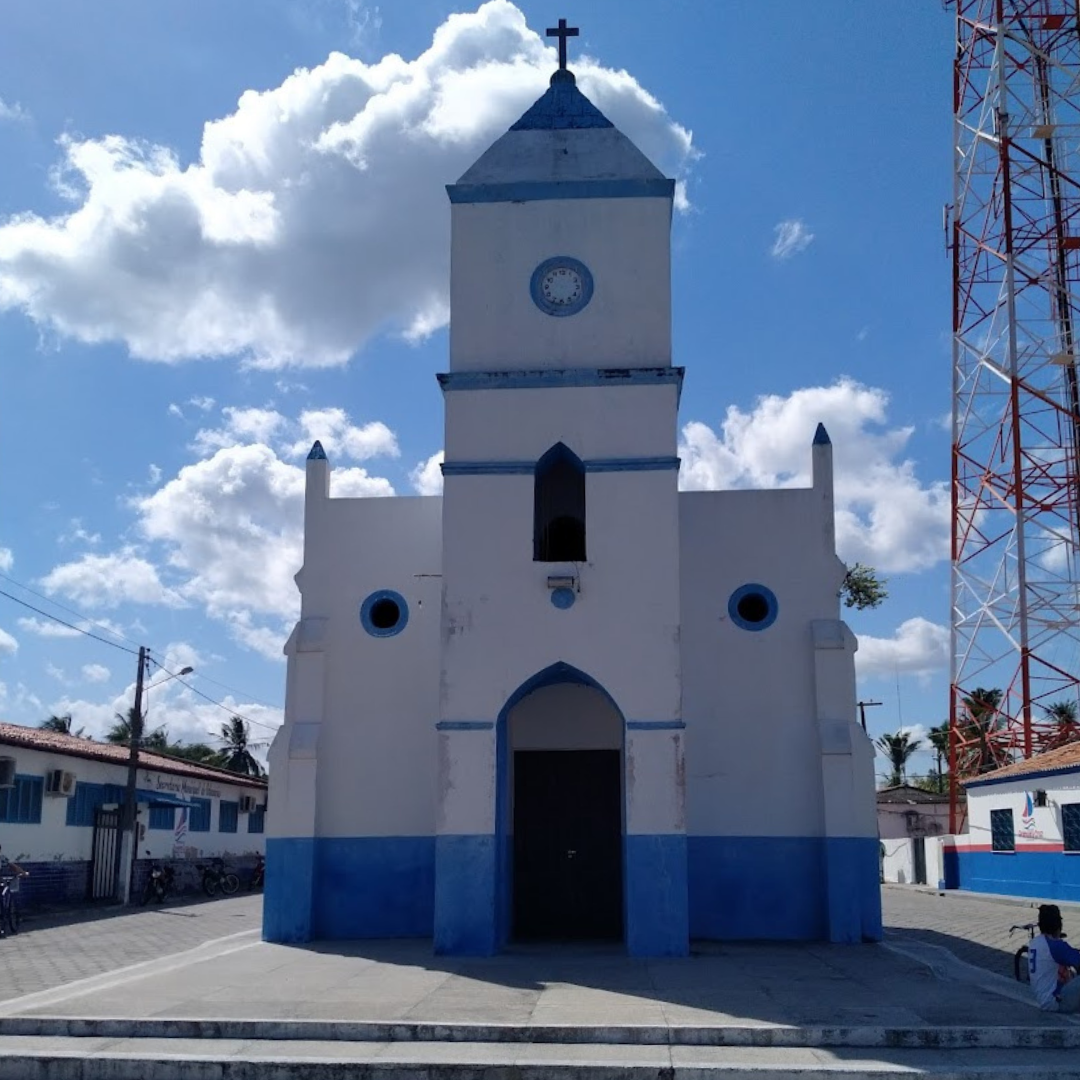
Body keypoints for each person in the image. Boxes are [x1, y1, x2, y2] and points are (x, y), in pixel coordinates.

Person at [1029, 904, 1080, 1011]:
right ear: (1058, 925)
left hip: (1043, 998)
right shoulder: (1055, 946)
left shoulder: (1035, 942)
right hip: (1055, 1001)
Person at [0, 842, 27, 938]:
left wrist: (22, 873)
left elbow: (13, 866)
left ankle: (2, 927)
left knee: (3, 900)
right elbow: (13, 866)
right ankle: (2, 927)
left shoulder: (2, 859)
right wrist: (23, 873)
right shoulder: (3, 859)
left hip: (2, 883)